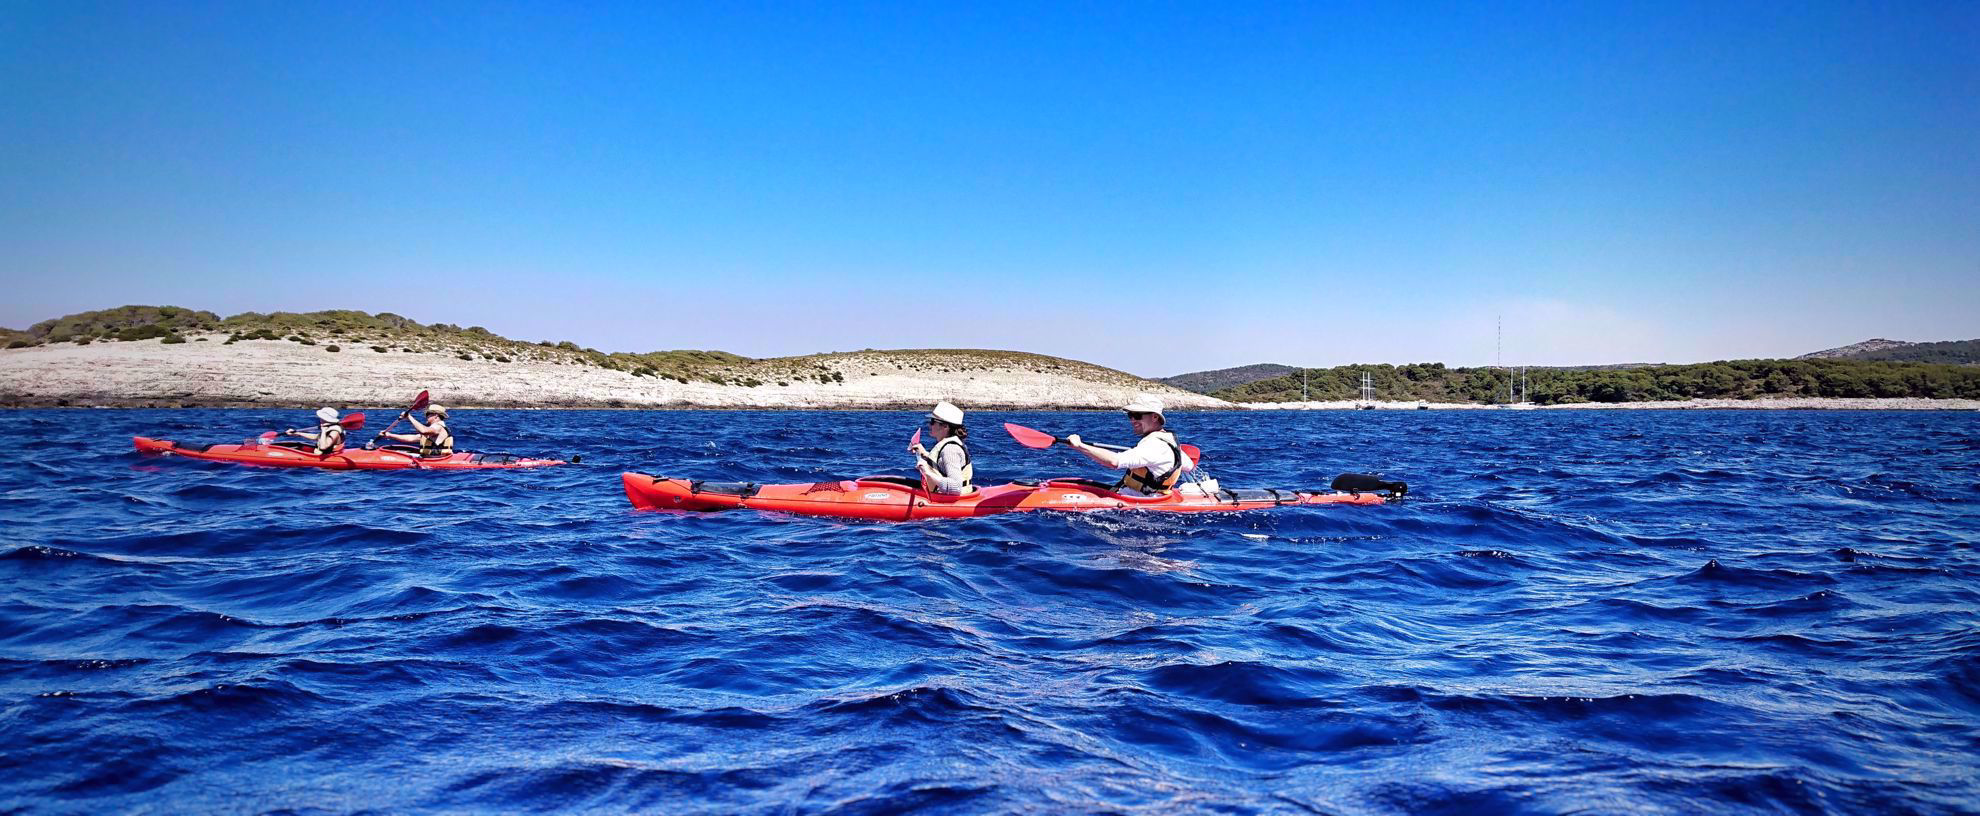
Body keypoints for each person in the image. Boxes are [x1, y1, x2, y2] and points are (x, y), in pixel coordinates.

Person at [1065, 395, 1194, 497]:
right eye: (1130, 415)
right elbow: (1189, 466)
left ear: (1155, 417)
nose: (1132, 420)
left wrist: (1079, 446)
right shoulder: (1170, 440)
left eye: (1137, 415)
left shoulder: (1154, 445)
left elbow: (1114, 462)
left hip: (1139, 505)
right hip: (1153, 497)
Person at [908, 401, 974, 495]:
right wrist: (924, 454)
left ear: (945, 426)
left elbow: (955, 487)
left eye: (932, 422)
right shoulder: (949, 446)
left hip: (950, 502)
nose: (929, 425)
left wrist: (927, 472)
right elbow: (941, 466)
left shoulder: (950, 450)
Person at [381, 404, 454, 457]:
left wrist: (409, 417)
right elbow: (411, 438)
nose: (426, 416)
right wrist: (389, 435)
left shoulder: (438, 427)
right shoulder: (432, 430)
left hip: (436, 461)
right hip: (429, 459)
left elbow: (423, 431)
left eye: (428, 414)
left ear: (436, 416)